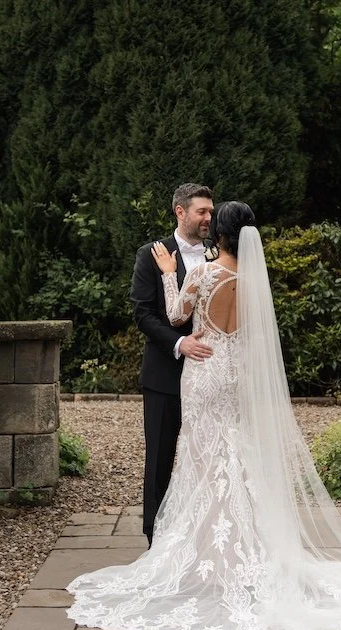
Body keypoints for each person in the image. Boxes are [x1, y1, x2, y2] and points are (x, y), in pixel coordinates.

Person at [67, 201, 341, 630]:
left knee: (203, 457)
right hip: (238, 376)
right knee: (237, 454)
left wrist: (169, 273)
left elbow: (176, 316)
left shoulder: (203, 273)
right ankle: (249, 547)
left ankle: (205, 553)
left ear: (219, 234)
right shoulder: (255, 281)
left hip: (205, 372)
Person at [130, 183, 215, 547]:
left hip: (210, 375)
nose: (208, 218)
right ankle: (155, 539)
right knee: (160, 458)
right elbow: (143, 313)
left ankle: (203, 536)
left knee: (207, 456)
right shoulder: (152, 254)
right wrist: (180, 343)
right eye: (201, 212)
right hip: (165, 373)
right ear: (180, 212)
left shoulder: (218, 253)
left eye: (211, 211)